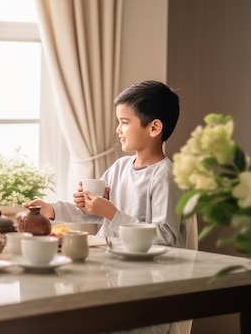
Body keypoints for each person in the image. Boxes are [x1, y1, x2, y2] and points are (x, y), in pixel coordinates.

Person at [25, 80, 186, 248]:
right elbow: (92, 214)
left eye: (124, 122)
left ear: (154, 128)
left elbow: (166, 238)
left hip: (144, 269)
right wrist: (50, 210)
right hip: (111, 258)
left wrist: (111, 213)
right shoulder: (119, 167)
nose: (118, 129)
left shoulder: (165, 176)